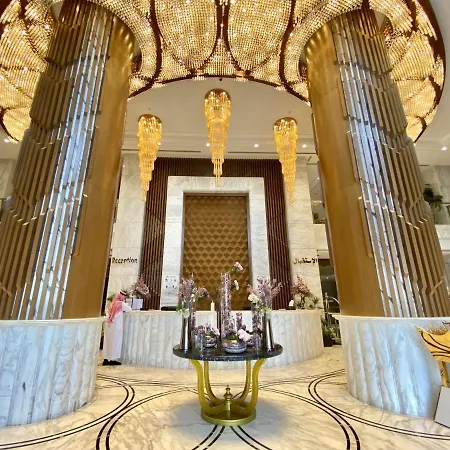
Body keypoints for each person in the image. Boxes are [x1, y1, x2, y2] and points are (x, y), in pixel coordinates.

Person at [103, 290, 132, 366]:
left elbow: (107, 312)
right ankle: (113, 359)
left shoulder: (112, 304)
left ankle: (106, 359)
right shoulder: (121, 304)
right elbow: (129, 309)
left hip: (109, 326)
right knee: (115, 342)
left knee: (108, 342)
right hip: (116, 327)